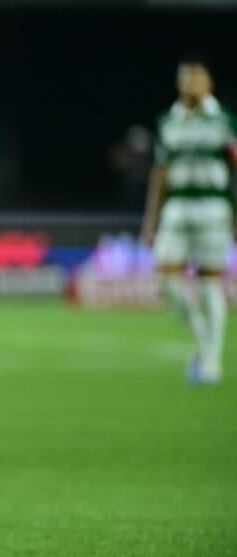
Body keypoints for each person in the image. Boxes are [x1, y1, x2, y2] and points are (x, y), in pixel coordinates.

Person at [140, 54, 236, 384]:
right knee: (166, 276)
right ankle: (202, 338)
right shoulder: (169, 121)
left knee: (210, 280)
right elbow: (161, 172)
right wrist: (151, 219)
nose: (189, 83)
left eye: (195, 77)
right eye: (184, 77)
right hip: (178, 207)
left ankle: (211, 360)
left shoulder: (223, 120)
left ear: (208, 82)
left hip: (213, 206)